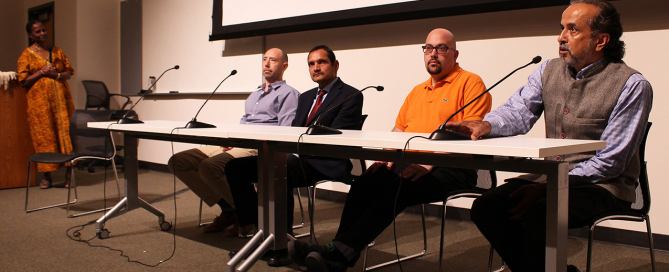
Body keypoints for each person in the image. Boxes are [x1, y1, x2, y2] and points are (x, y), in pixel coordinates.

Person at [444, 1, 653, 271]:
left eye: (572, 30)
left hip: (603, 185)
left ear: (601, 40)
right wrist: (486, 125)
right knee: (487, 207)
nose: (561, 37)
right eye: (561, 28)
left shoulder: (632, 85)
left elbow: (611, 162)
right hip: (548, 175)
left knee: (539, 212)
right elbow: (517, 112)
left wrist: (548, 188)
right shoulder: (547, 70)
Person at [287, 29, 492, 272]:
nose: (433, 54)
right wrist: (385, 158)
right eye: (428, 48)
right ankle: (337, 252)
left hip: (453, 167)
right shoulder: (418, 90)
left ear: (455, 54)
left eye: (441, 48)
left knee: (399, 188)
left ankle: (338, 254)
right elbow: (398, 130)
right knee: (366, 182)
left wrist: (429, 164)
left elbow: (469, 133)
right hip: (411, 163)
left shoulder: (470, 82)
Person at [225, 45, 364, 238]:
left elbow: (338, 136)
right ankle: (257, 226)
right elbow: (292, 131)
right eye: (311, 64)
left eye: (321, 62)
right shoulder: (306, 96)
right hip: (296, 158)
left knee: (278, 170)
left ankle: (281, 240)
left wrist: (293, 152)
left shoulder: (350, 95)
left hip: (323, 161)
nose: (316, 68)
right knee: (235, 167)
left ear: (335, 65)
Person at [167, 48, 299, 233]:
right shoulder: (255, 94)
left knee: (209, 167)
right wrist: (232, 138)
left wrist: (248, 139)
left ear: (284, 66)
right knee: (178, 162)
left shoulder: (289, 93)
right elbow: (243, 122)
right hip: (239, 142)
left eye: (273, 60)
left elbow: (286, 130)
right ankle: (232, 210)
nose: (267, 64)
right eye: (264, 59)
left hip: (258, 146)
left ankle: (248, 215)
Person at [17, 20, 75, 189]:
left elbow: (69, 73)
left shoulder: (57, 51)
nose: (42, 33)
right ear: (30, 35)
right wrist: (42, 72)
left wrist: (55, 75)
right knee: (45, 137)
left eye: (43, 30)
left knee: (66, 135)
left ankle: (69, 175)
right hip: (39, 105)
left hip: (62, 102)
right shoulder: (26, 55)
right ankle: (47, 177)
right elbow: (23, 81)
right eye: (38, 32)